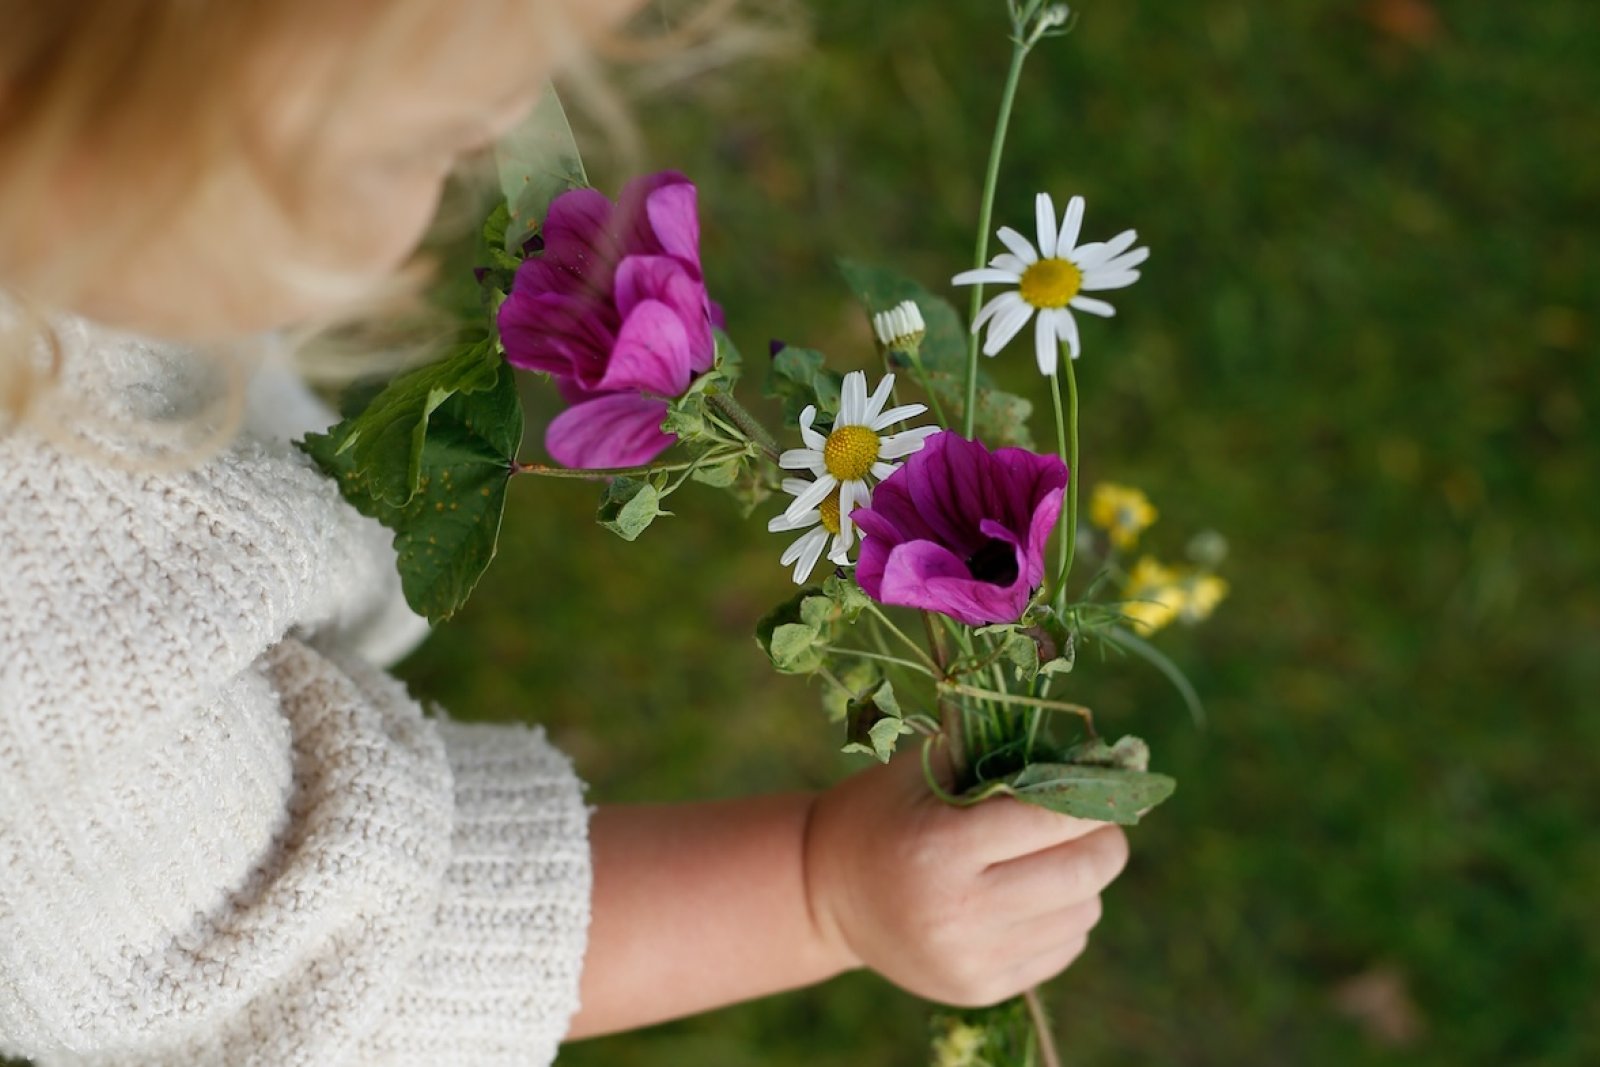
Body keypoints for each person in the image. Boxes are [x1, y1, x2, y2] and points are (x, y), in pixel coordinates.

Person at [0, 3, 1131, 1065]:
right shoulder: (45, 633)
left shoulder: (101, 208)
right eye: (413, 143)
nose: (502, 131)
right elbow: (300, 957)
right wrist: (818, 888)